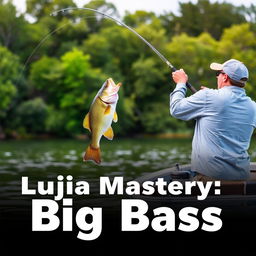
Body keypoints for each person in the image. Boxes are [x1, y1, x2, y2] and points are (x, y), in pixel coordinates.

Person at [170, 59, 256, 181]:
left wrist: (181, 83)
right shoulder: (253, 107)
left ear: (225, 77)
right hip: (241, 179)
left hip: (210, 179)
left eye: (218, 74)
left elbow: (176, 109)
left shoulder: (208, 97)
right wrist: (209, 96)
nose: (217, 78)